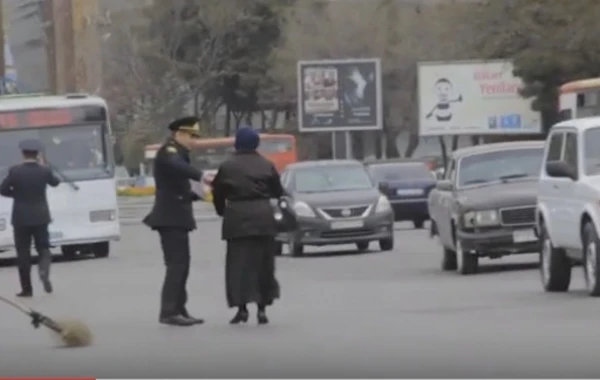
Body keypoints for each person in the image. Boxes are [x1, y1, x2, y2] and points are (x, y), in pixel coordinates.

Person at [211, 126, 284, 325]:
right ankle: (262, 309)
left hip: (237, 218)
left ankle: (241, 309)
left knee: (239, 266)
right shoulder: (266, 164)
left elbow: (218, 193)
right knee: (263, 265)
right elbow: (278, 191)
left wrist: (222, 211)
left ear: (237, 143)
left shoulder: (227, 166)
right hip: (263, 217)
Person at [142, 116, 205, 327]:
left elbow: (177, 182)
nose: (193, 141)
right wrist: (201, 176)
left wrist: (194, 193)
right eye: (191, 136)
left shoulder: (180, 153)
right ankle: (169, 311)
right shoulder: (168, 152)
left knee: (182, 265)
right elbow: (176, 167)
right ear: (179, 134)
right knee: (176, 265)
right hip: (169, 216)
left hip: (178, 215)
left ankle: (179, 308)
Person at [0, 139, 60, 297]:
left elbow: (2, 189)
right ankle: (44, 271)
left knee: (23, 252)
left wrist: (17, 195)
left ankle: (27, 289)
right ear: (38, 154)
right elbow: (56, 183)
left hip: (20, 218)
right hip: (41, 216)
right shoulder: (44, 171)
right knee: (44, 248)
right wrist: (46, 165)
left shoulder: (14, 171)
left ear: (22, 154)